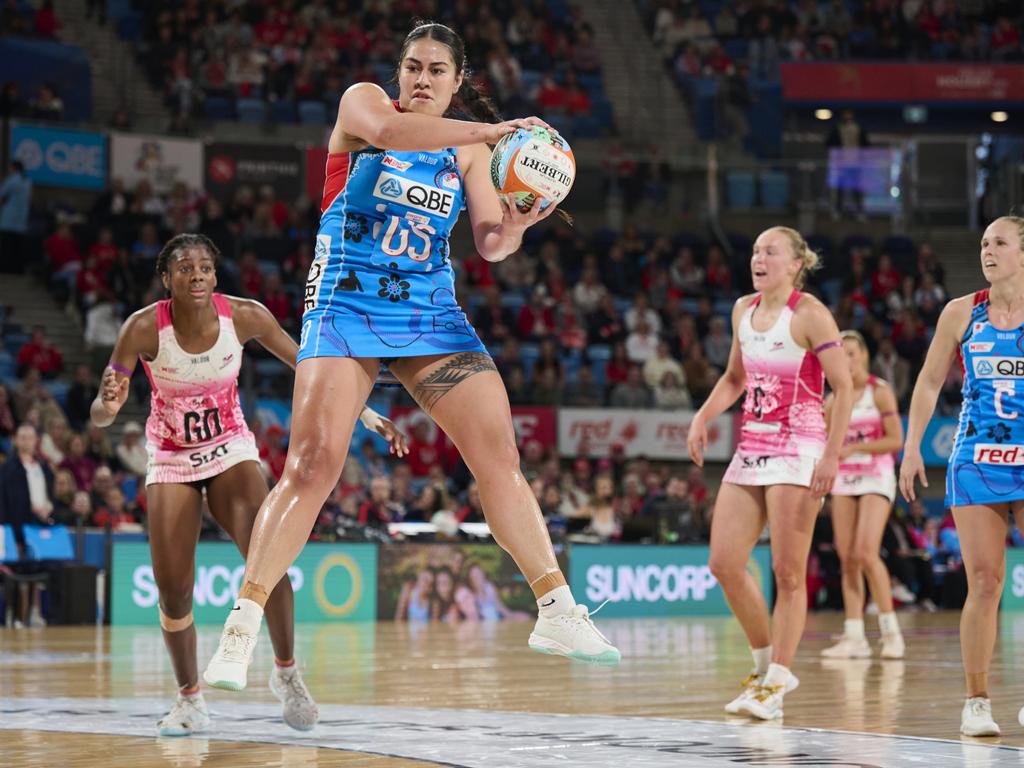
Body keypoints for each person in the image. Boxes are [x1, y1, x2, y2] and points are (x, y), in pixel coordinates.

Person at [204, 22, 619, 693]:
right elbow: (395, 136)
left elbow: (487, 243)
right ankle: (241, 626)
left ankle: (557, 609)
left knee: (500, 458)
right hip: (346, 301)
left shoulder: (466, 155)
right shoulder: (366, 106)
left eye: (436, 71)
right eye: (413, 67)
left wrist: (516, 223)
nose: (421, 79)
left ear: (458, 82)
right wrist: (490, 133)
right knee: (312, 466)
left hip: (428, 313)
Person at [91, 232, 408, 737]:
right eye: (184, 267)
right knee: (173, 595)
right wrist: (107, 404)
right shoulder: (142, 328)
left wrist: (366, 415)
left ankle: (287, 673)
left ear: (215, 276)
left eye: (204, 267)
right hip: (170, 457)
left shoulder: (245, 315)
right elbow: (101, 414)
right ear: (166, 278)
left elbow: (314, 370)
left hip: (230, 449)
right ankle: (190, 701)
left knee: (269, 559)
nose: (196, 274)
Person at [687, 226, 853, 720]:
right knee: (724, 562)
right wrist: (702, 416)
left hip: (799, 448)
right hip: (753, 444)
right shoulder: (742, 309)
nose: (758, 258)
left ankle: (776, 683)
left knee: (787, 571)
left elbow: (842, 388)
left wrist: (831, 456)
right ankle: (765, 670)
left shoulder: (811, 315)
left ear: (796, 263)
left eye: (770, 251)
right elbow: (736, 377)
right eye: (755, 250)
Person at [900, 216, 1024, 738]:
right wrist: (911, 450)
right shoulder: (961, 312)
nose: (987, 251)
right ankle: (976, 700)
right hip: (976, 458)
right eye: (983, 243)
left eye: (1000, 242)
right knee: (985, 581)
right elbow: (929, 383)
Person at [821, 330, 905, 659]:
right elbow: (827, 444)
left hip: (876, 475)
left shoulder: (880, 392)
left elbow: (895, 440)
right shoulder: (832, 400)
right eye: (841, 353)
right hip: (844, 479)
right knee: (848, 557)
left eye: (852, 353)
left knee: (867, 551)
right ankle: (854, 636)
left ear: (863, 356)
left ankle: (891, 633)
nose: (846, 359)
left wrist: (856, 446)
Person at [0, 160, 32, 273]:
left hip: (9, 218)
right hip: (21, 219)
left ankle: (5, 268)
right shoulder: (27, 181)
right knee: (17, 247)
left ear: (13, 168)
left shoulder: (12, 181)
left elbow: (2, 194)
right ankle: (17, 269)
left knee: (6, 246)